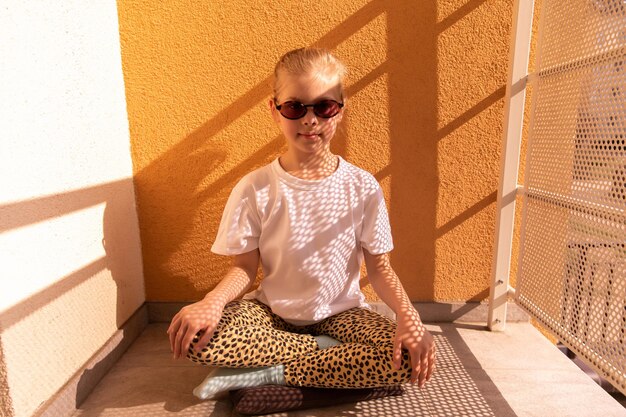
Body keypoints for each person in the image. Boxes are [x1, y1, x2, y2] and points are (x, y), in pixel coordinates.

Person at [167, 47, 436, 400]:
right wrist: (212, 302)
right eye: (295, 107)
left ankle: (260, 374)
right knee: (198, 340)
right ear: (275, 110)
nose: (310, 120)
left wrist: (408, 315)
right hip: (272, 314)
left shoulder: (361, 186)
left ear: (341, 109)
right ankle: (326, 357)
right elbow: (245, 268)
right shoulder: (255, 188)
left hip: (342, 314)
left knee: (404, 357)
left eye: (324, 107)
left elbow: (380, 268)